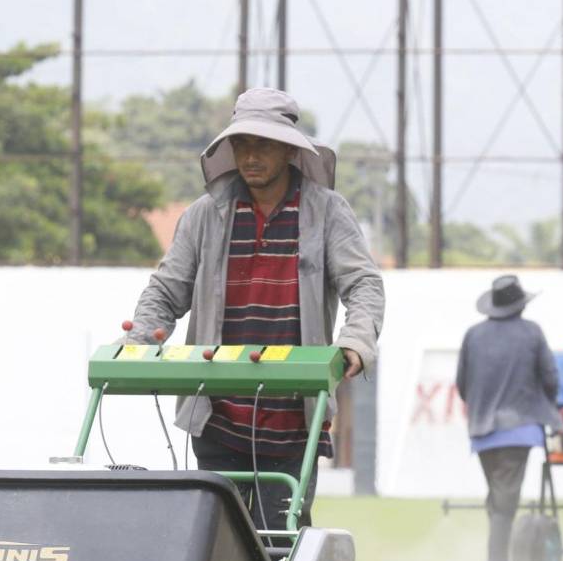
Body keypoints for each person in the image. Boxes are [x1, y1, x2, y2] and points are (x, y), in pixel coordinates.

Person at [124, 87, 384, 533]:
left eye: (262, 144)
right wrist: (137, 343)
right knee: (212, 541)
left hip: (292, 419)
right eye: (242, 144)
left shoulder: (327, 213)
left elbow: (362, 283)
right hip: (217, 415)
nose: (250, 156)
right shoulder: (204, 216)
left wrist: (355, 341)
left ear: (288, 149)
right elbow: (166, 290)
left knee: (277, 542)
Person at [456, 275, 562, 561]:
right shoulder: (532, 333)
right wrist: (546, 405)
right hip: (519, 428)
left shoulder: (473, 335)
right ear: (520, 305)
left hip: (481, 429)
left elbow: (462, 384)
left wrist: (478, 407)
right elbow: (551, 378)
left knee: (497, 496)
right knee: (505, 500)